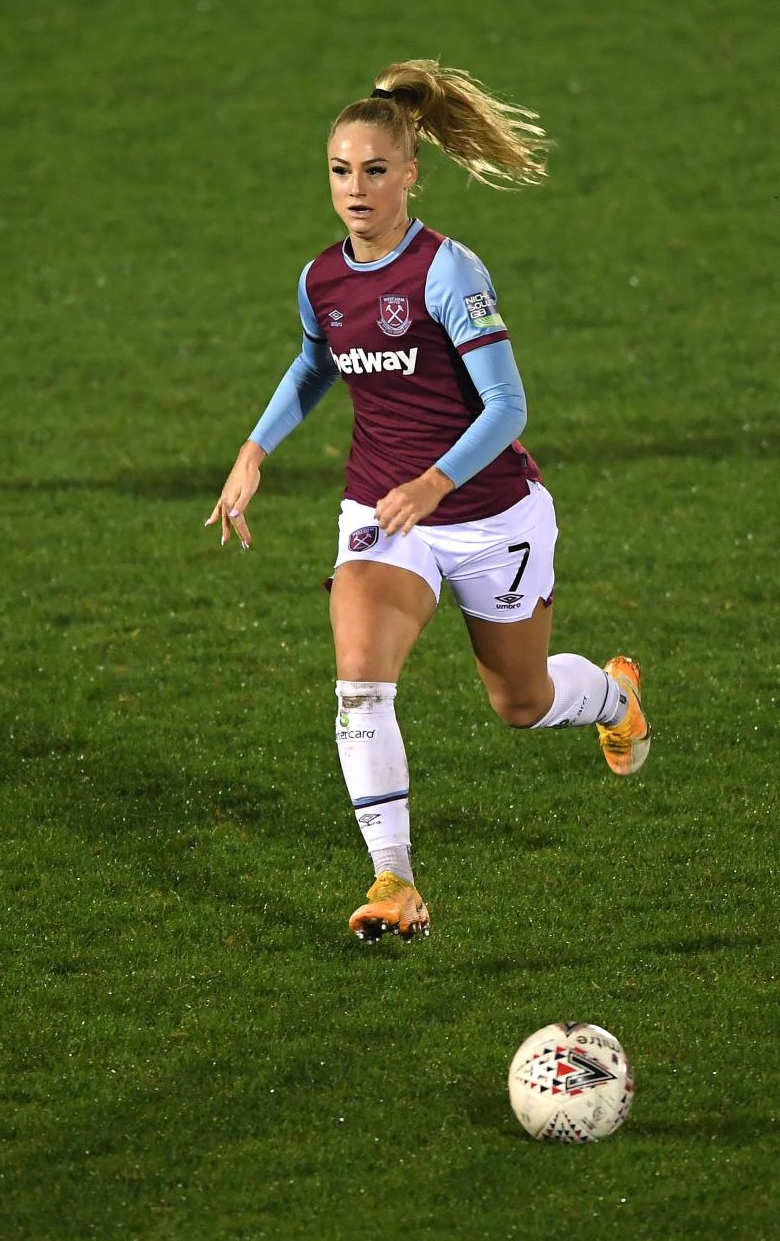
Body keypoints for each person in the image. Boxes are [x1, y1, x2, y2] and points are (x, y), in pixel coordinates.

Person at [206, 60, 651, 943]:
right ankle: (394, 881)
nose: (356, 188)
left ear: (411, 173)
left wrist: (438, 479)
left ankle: (612, 696)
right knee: (360, 683)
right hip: (383, 511)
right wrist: (256, 447)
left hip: (490, 515)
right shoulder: (319, 280)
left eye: (375, 169)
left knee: (519, 702)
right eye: (340, 170)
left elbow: (509, 407)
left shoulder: (448, 271)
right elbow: (313, 363)